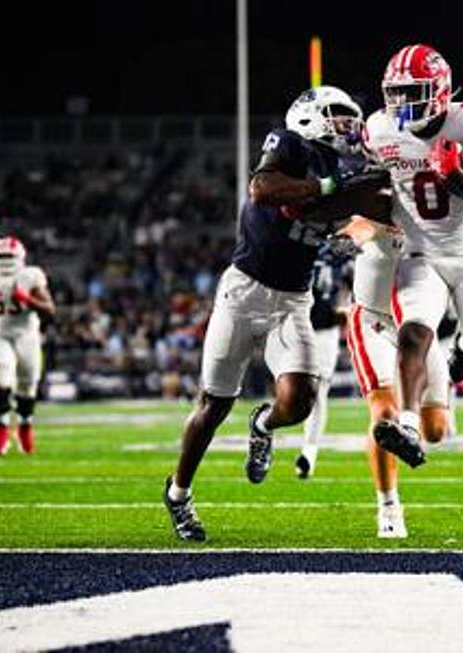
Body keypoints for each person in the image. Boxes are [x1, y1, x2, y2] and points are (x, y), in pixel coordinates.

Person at [162, 86, 390, 541]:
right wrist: (330, 188)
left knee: (300, 400)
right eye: (339, 116)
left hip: (294, 300)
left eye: (352, 118)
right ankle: (178, 494)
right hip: (244, 291)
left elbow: (377, 216)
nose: (349, 125)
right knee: (213, 406)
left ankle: (263, 424)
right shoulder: (289, 144)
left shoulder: (351, 169)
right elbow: (262, 188)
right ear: (309, 116)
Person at [361, 43, 463, 467]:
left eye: (413, 92)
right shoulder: (377, 129)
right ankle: (407, 425)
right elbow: (373, 189)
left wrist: (459, 177)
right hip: (419, 253)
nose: (401, 104)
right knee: (413, 332)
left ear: (441, 90)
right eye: (395, 93)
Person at [341, 216, 452, 537]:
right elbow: (361, 224)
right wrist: (351, 238)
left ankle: (413, 425)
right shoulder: (384, 197)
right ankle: (388, 505)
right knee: (385, 414)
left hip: (415, 326)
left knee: (435, 431)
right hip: (373, 320)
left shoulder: (442, 213)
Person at [0, 236, 55, 455]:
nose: (6, 261)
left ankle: (24, 427)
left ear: (20, 257)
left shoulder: (30, 275)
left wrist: (27, 298)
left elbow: (49, 310)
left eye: (9, 256)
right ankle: (1, 431)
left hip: (27, 335)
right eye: (2, 256)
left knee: (28, 385)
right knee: (1, 382)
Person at [294, 246, 352, 480]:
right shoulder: (298, 240)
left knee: (318, 391)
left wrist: (346, 307)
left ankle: (309, 452)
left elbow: (354, 279)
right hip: (296, 326)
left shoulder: (339, 248)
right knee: (292, 391)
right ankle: (263, 432)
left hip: (325, 329)